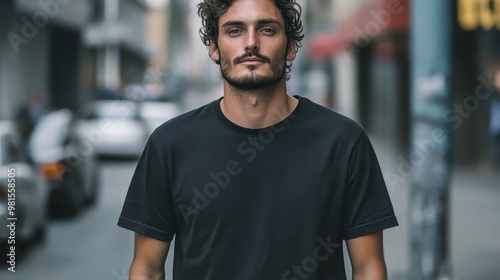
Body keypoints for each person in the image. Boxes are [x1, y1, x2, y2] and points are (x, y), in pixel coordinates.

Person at [118, 0, 398, 279]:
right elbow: (147, 269)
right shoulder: (169, 144)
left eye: (267, 30)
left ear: (290, 46)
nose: (251, 43)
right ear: (214, 47)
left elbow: (368, 268)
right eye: (235, 31)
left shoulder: (344, 141)